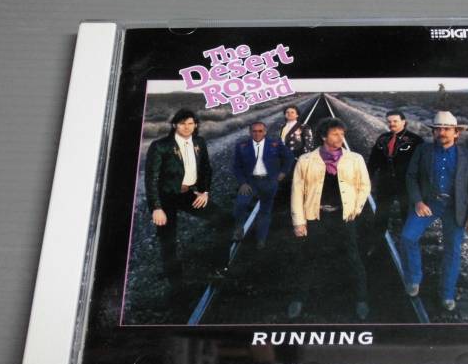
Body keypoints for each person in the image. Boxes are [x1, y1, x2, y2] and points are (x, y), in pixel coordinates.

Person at [288, 117, 371, 320]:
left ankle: (361, 299)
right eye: (335, 134)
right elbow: (297, 192)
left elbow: (364, 186)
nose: (341, 137)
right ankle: (299, 298)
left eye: (342, 134)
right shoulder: (305, 160)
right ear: (324, 136)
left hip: (344, 216)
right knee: (308, 257)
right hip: (316, 216)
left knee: (353, 257)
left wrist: (357, 208)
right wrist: (299, 222)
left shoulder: (355, 159)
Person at [145, 108, 232, 298]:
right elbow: (151, 179)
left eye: (191, 123)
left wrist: (204, 191)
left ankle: (218, 269)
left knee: (226, 220)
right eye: (182, 123)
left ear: (196, 125)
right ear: (174, 125)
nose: (187, 127)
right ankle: (177, 288)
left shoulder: (199, 142)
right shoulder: (160, 146)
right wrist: (156, 208)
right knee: (168, 241)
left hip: (188, 194)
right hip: (166, 197)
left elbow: (206, 168)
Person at [400, 111, 468, 311]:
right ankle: (413, 278)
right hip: (429, 203)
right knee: (407, 237)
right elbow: (411, 177)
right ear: (434, 132)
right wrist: (418, 202)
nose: (442, 132)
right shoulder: (423, 151)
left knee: (452, 249)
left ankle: (447, 293)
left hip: (455, 207)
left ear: (456, 133)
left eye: (447, 129)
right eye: (438, 129)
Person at [232, 121, 293, 249]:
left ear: (265, 132)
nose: (257, 134)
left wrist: (283, 172)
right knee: (241, 203)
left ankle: (261, 238)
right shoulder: (242, 146)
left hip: (269, 181)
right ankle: (239, 228)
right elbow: (236, 166)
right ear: (250, 132)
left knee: (265, 210)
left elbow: (289, 157)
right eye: (254, 131)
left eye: (260, 131)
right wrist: (243, 182)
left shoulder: (275, 144)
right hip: (250, 182)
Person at [367, 110, 423, 243]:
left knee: (407, 213)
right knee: (381, 213)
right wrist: (369, 177)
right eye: (389, 121)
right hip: (385, 182)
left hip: (406, 183)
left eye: (395, 121)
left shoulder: (416, 140)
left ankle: (409, 242)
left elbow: (422, 165)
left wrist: (420, 186)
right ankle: (377, 242)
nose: (392, 124)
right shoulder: (383, 138)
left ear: (404, 122)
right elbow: (373, 160)